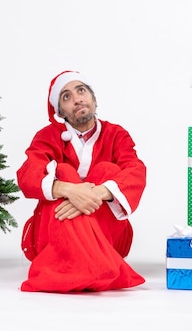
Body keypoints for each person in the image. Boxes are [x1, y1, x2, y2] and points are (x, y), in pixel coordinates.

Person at [17, 70, 147, 293]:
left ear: (94, 100)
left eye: (81, 91)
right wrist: (66, 189)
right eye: (66, 97)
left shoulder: (117, 135)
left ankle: (77, 269)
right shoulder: (46, 137)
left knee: (107, 170)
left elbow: (136, 171)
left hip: (110, 237)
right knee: (65, 171)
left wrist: (93, 193)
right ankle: (101, 268)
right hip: (53, 237)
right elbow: (28, 174)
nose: (77, 99)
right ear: (60, 112)